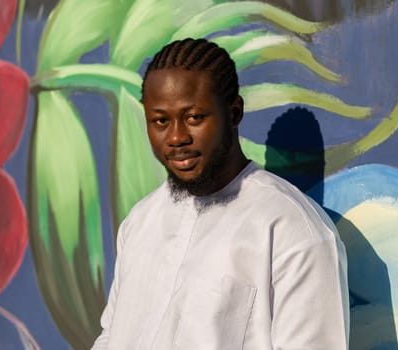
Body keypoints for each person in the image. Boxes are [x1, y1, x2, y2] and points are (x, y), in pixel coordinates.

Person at [92, 38, 349, 349]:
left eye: (194, 118)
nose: (176, 137)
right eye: (161, 121)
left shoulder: (291, 230)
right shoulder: (141, 221)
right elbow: (110, 337)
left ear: (234, 112)